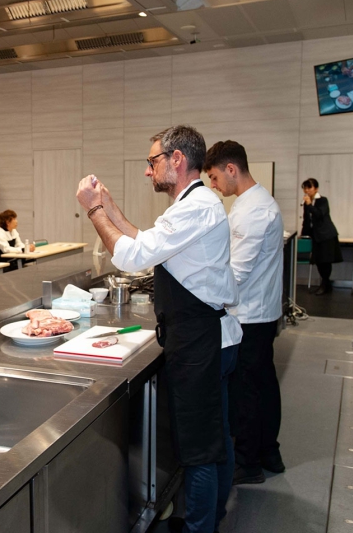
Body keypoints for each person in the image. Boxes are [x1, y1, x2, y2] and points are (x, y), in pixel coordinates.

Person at [76, 125, 241, 533]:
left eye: (153, 162)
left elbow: (132, 256)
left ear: (177, 160)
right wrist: (110, 205)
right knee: (214, 437)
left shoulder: (197, 206)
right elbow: (144, 240)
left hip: (201, 341)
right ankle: (212, 517)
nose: (148, 172)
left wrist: (93, 211)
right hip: (206, 338)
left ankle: (201, 527)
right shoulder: (193, 204)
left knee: (200, 449)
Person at [205, 141, 285, 486]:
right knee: (263, 384)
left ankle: (249, 462)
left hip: (251, 315)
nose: (213, 185)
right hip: (258, 311)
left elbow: (236, 272)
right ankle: (269, 451)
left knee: (248, 391)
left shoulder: (254, 211)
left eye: (214, 177)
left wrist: (203, 295)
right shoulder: (253, 203)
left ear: (231, 169)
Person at [301, 178, 342, 295]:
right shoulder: (306, 203)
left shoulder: (322, 200)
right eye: (305, 187)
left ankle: (325, 284)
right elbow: (306, 219)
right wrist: (303, 234)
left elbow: (319, 215)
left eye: (309, 187)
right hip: (316, 236)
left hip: (326, 235)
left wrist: (309, 204)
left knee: (325, 261)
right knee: (318, 261)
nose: (306, 190)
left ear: (316, 189)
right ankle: (326, 284)